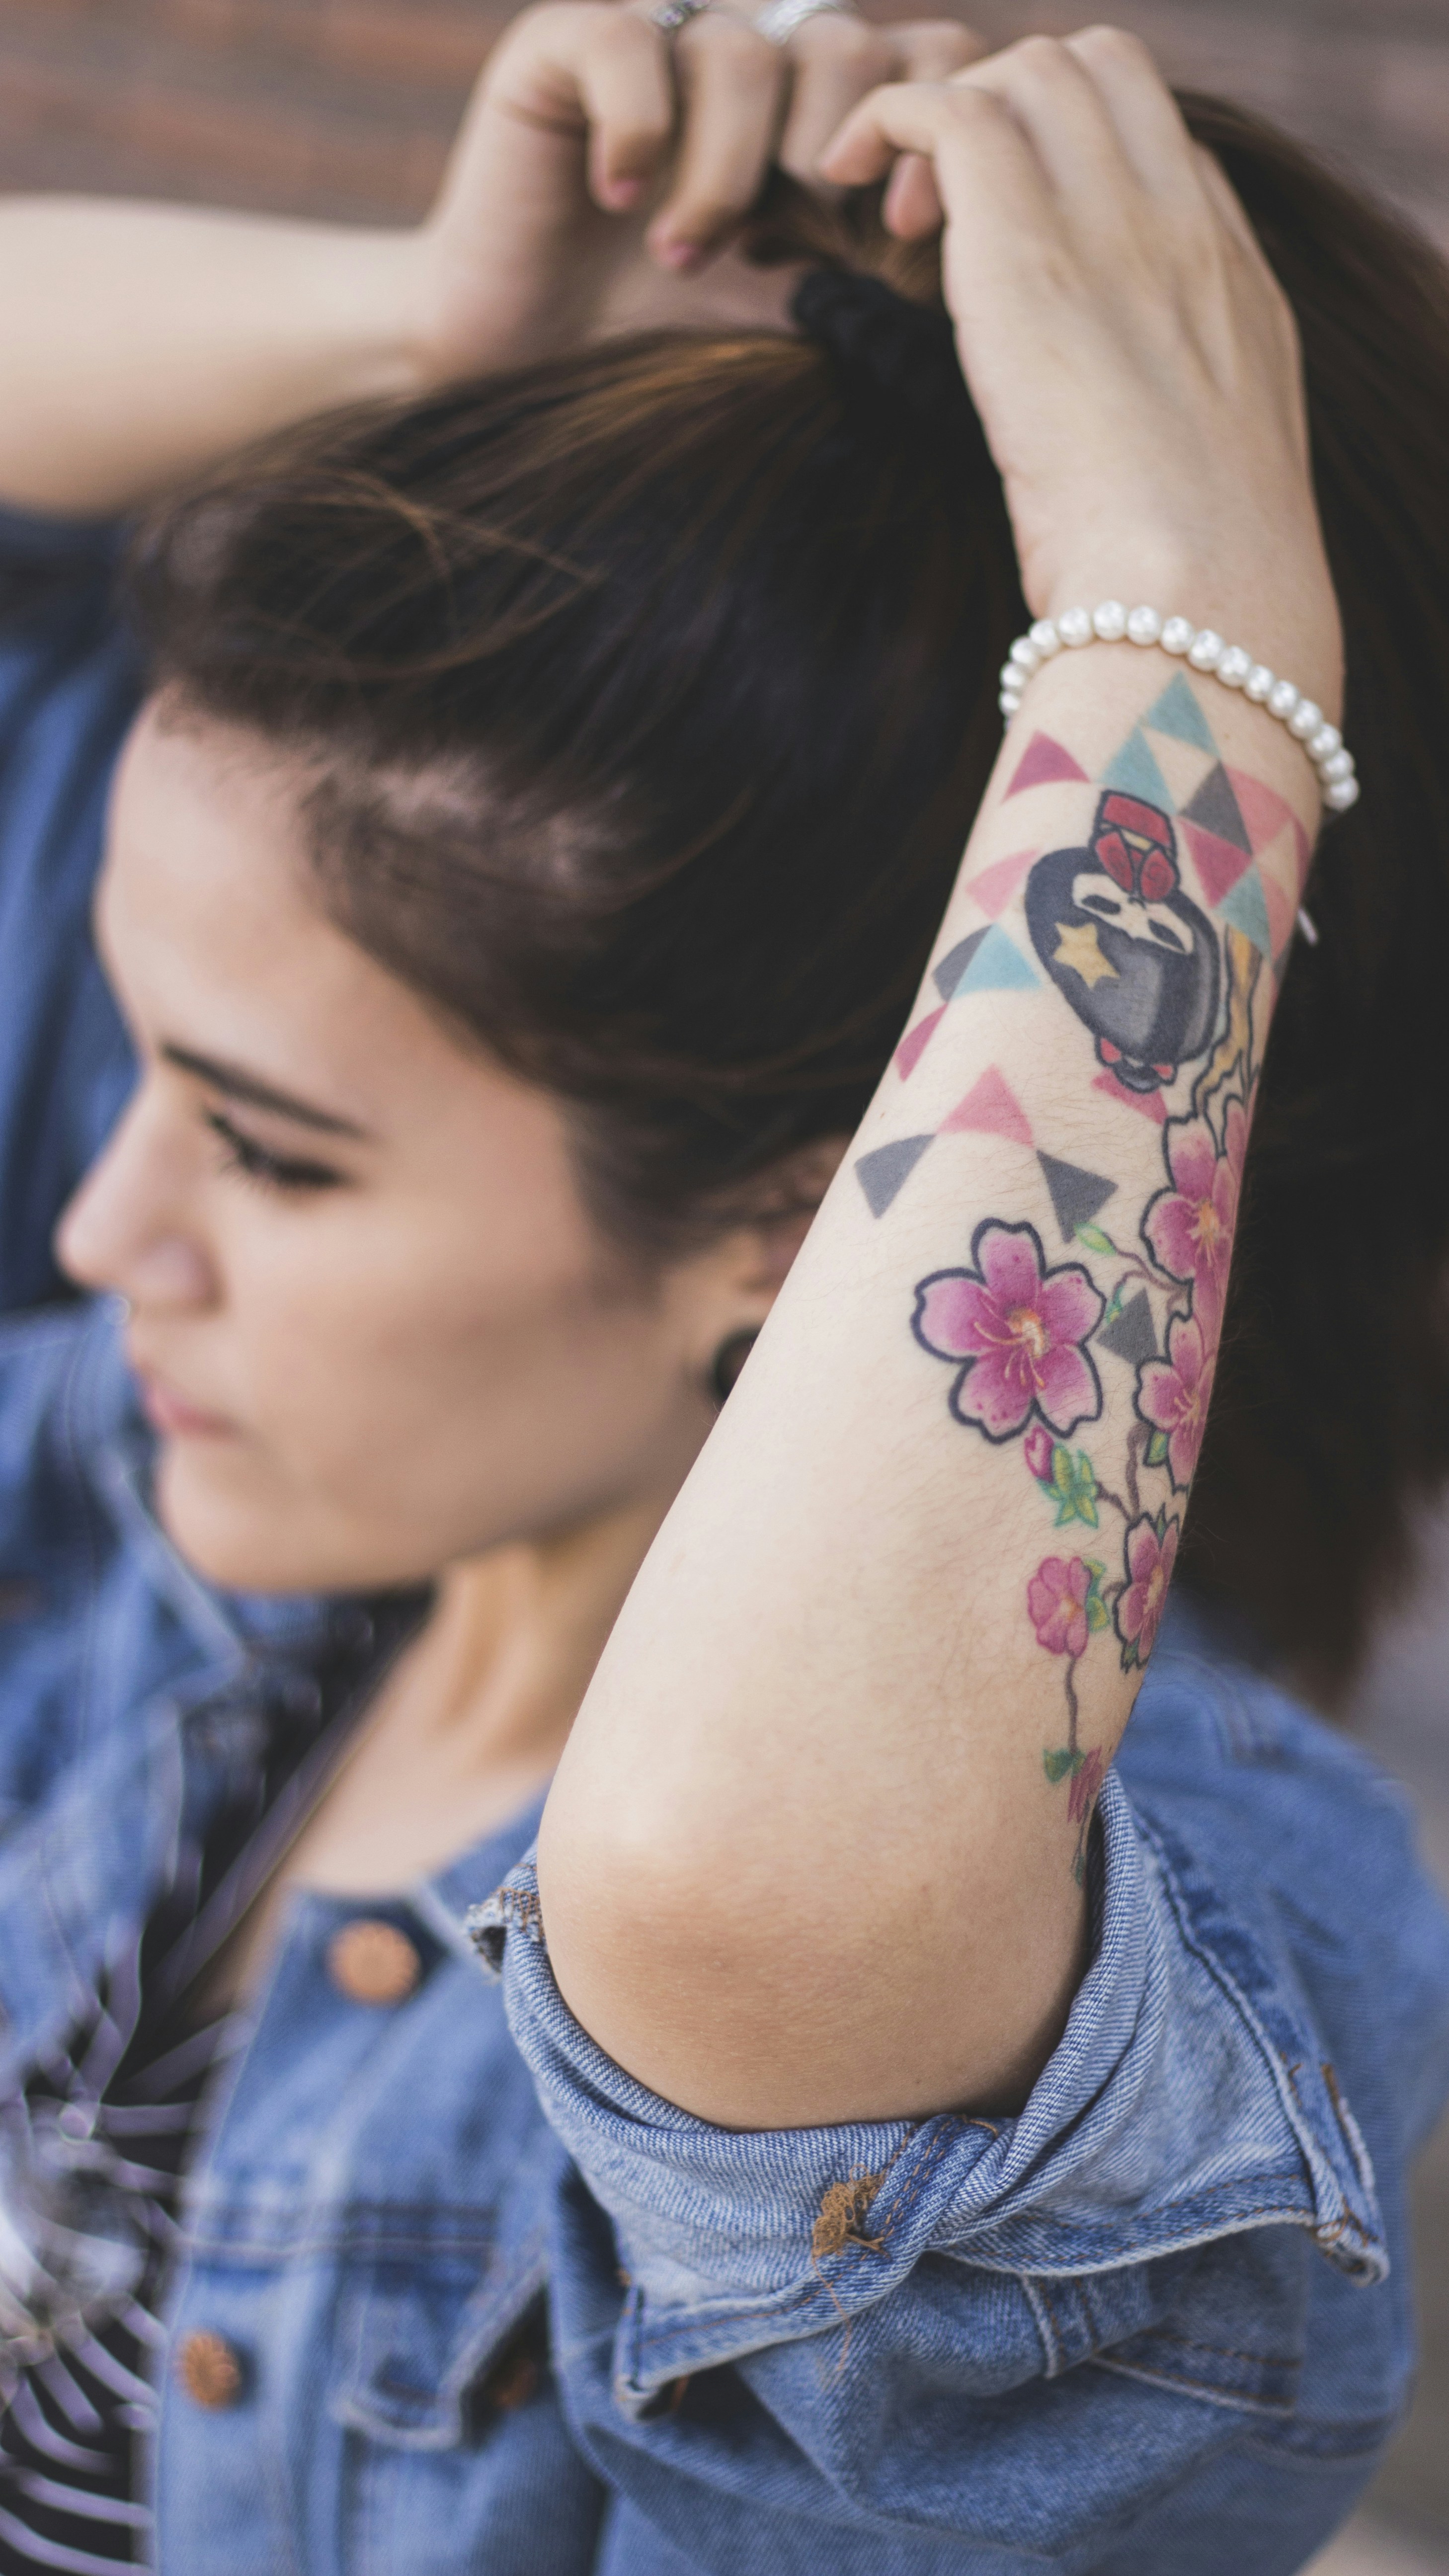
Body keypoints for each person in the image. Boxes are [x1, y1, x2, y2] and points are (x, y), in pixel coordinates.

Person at [0, 6, 1445, 2570]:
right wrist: (429, 340)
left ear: (793, 1227)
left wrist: (1194, 663)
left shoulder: (1145, 1941)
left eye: (271, 1152)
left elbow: (729, 1898)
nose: (103, 1234)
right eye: (136, 1061)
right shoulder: (160, 1488)